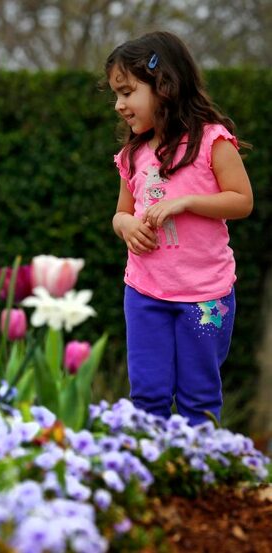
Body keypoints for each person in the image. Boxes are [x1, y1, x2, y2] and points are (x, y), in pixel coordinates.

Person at [107, 31, 253, 425]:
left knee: (198, 398)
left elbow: (241, 200)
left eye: (127, 92)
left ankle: (200, 479)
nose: (119, 105)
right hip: (145, 292)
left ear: (164, 85)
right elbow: (121, 212)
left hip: (205, 297)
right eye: (116, 96)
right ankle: (148, 477)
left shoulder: (211, 141)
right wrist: (126, 227)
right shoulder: (132, 154)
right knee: (148, 395)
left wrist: (186, 202)